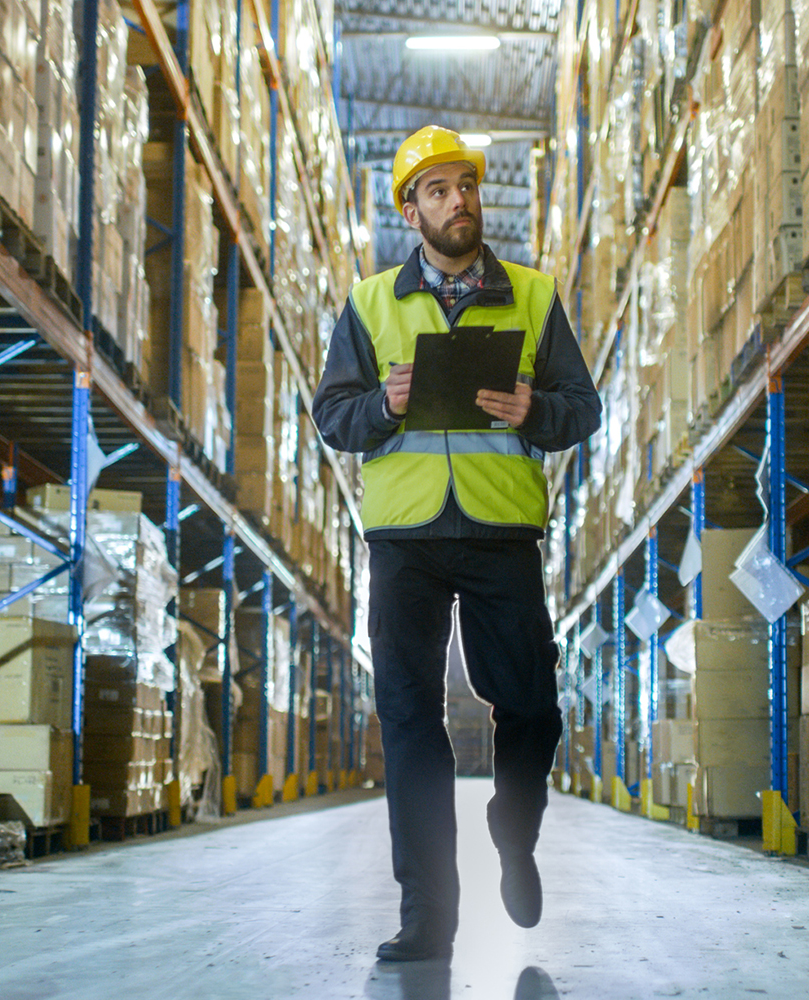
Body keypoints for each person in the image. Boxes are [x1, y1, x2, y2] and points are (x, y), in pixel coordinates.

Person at [312, 125, 602, 963]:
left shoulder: (534, 297)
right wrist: (382, 408)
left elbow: (583, 408)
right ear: (412, 210)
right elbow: (333, 415)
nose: (458, 202)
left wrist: (533, 412)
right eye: (438, 191)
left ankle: (513, 830)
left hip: (499, 528)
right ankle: (428, 915)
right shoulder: (371, 304)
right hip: (404, 536)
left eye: (466, 187)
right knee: (408, 719)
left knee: (533, 707)